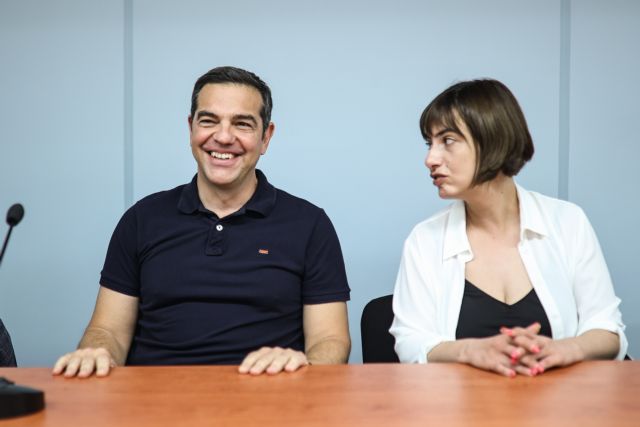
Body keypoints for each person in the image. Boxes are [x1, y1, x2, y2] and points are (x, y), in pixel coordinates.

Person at [53, 66, 351, 378]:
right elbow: (107, 330)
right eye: (208, 121)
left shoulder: (310, 225)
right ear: (191, 128)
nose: (223, 137)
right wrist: (97, 352)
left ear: (266, 137)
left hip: (268, 395)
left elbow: (331, 341)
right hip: (153, 399)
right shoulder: (142, 219)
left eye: (242, 124)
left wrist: (304, 365)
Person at [390, 79, 627, 377]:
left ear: (493, 140)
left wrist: (565, 349)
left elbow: (607, 329)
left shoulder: (568, 222)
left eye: (447, 140)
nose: (430, 159)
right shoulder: (424, 240)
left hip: (561, 403)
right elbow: (411, 343)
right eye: (430, 143)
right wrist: (471, 351)